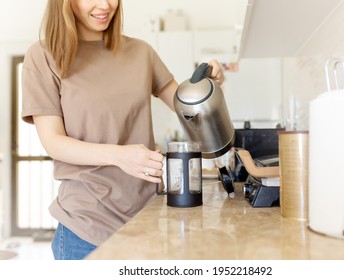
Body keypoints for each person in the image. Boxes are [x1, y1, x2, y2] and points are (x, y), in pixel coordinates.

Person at [21, 0, 224, 260]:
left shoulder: (141, 52)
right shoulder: (43, 55)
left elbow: (187, 108)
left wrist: (207, 85)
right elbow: (53, 142)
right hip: (84, 230)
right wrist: (119, 156)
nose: (105, 5)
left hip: (146, 221)